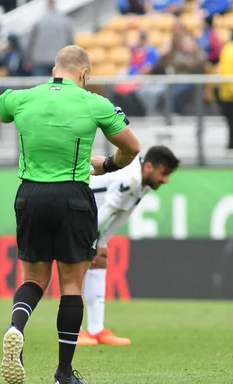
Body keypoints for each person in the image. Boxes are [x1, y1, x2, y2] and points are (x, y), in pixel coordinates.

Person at [0, 45, 141, 384]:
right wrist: (107, 165)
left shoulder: (24, 98)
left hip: (31, 194)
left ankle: (15, 328)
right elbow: (132, 147)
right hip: (73, 196)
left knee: (33, 280)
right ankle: (63, 373)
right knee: (72, 286)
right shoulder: (95, 103)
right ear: (84, 74)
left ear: (54, 71)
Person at [77, 146, 180, 347]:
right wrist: (92, 239)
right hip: (77, 212)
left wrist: (103, 242)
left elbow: (123, 214)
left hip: (89, 218)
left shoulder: (143, 184)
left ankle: (97, 330)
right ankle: (74, 331)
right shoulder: (130, 178)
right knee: (76, 267)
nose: (165, 180)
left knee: (98, 261)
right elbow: (105, 211)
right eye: (164, 173)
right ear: (149, 167)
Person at [27, 0, 75, 77]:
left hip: (40, 59)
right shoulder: (65, 21)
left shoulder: (39, 21)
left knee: (40, 87)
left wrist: (28, 58)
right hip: (59, 59)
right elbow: (71, 42)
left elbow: (31, 41)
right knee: (57, 87)